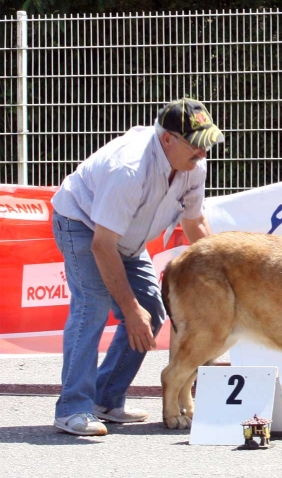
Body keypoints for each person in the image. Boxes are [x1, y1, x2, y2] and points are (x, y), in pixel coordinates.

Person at [51, 98, 224, 436]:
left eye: (207, 144)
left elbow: (195, 224)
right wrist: (129, 309)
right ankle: (72, 407)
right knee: (93, 306)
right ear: (167, 140)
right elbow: (102, 245)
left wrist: (224, 275)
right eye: (196, 146)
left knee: (152, 311)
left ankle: (106, 398)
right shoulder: (129, 169)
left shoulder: (192, 166)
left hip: (125, 237)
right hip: (82, 224)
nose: (203, 154)